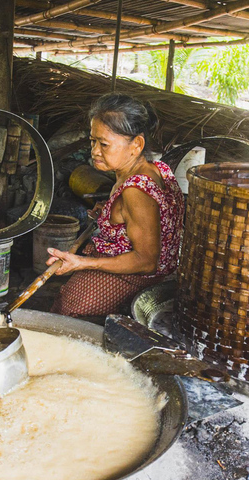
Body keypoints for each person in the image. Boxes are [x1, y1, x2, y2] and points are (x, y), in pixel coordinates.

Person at [47, 93, 184, 317]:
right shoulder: (157, 168)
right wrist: (111, 210)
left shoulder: (136, 191)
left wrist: (83, 262)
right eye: (93, 141)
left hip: (136, 278)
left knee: (67, 310)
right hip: (151, 270)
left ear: (136, 144)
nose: (94, 151)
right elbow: (147, 216)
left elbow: (146, 261)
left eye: (104, 144)